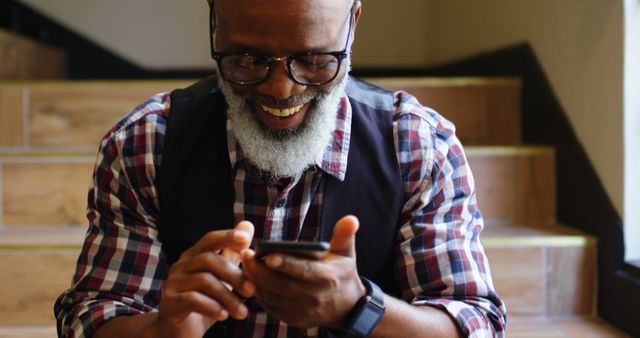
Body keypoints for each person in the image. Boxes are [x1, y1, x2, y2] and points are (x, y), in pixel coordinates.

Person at [54, 0, 507, 337]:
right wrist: (162, 330)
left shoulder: (418, 146)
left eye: (314, 60)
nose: (280, 89)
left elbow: (476, 322)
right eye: (247, 60)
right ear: (214, 20)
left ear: (352, 23)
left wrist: (360, 307)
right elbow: (90, 317)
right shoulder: (145, 144)